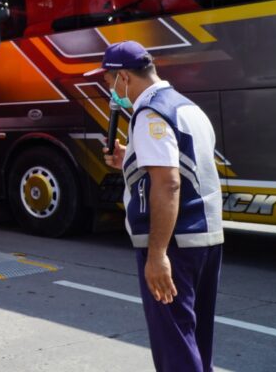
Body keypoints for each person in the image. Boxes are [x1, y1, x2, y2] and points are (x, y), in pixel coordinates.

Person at [88, 40, 223, 372]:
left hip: (174, 243)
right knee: (194, 340)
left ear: (124, 77)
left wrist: (157, 254)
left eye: (109, 81)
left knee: (174, 346)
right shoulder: (186, 107)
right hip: (205, 238)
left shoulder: (150, 114)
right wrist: (129, 158)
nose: (111, 90)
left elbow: (168, 183)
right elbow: (184, 167)